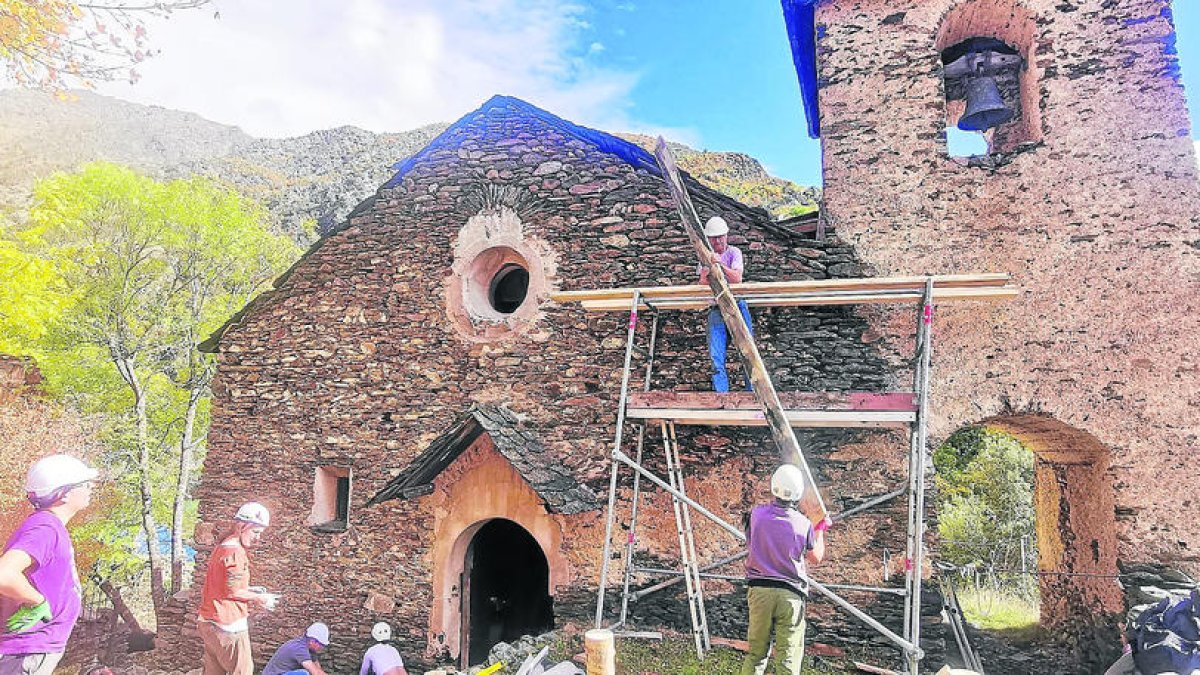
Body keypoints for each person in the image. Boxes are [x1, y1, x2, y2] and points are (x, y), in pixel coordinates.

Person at [0, 455, 99, 675]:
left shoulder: (49, 526)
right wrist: (37, 601)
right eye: (84, 484)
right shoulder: (45, 527)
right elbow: (4, 574)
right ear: (62, 494)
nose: (91, 488)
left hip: (30, 650)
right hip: (26, 651)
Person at [740, 464, 829, 675]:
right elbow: (816, 557)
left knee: (756, 654)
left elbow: (750, 542)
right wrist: (821, 530)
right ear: (798, 492)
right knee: (788, 659)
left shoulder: (756, 515)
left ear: (774, 487)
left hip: (759, 591)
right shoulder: (803, 524)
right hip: (790, 596)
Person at [196, 502, 275, 675]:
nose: (257, 538)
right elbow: (233, 592)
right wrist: (261, 598)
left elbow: (225, 585)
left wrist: (251, 590)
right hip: (227, 624)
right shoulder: (235, 553)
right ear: (241, 526)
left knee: (213, 671)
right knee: (243, 671)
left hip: (208, 621)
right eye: (255, 532)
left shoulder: (222, 547)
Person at [697, 215, 754, 393]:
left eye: (720, 237)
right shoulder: (705, 256)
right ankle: (722, 397)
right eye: (713, 238)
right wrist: (708, 267)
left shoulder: (734, 252)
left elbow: (737, 279)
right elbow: (701, 284)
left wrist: (720, 264)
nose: (717, 241)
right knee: (716, 356)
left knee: (748, 353)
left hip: (737, 305)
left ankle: (753, 395)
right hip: (716, 308)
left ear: (726, 235)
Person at [262, 622, 331, 675]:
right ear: (313, 641)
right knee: (303, 673)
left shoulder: (310, 649)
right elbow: (315, 672)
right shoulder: (299, 648)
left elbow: (318, 669)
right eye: (321, 644)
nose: (321, 647)